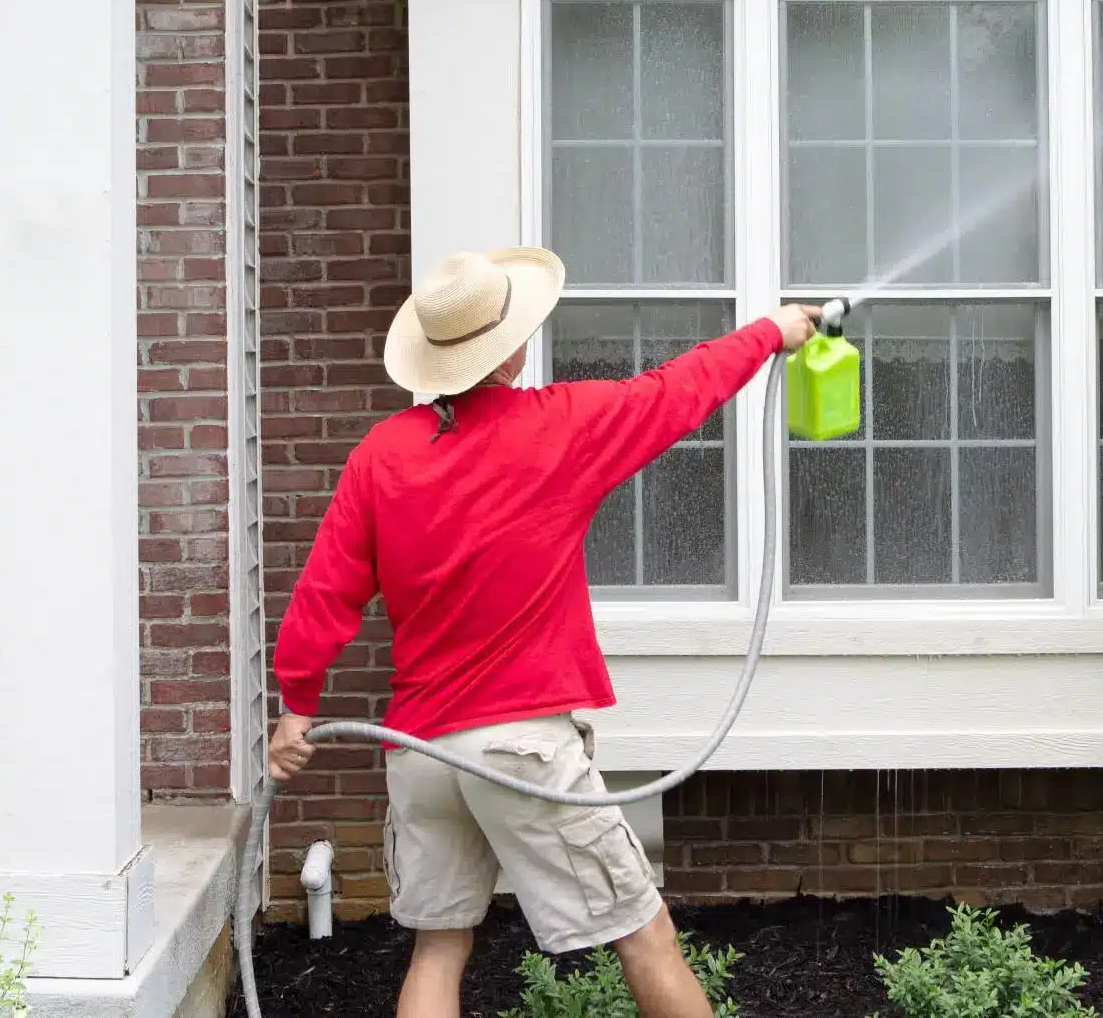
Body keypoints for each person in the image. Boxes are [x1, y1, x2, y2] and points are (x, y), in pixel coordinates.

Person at [270, 246, 821, 1018]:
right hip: (520, 747)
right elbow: (678, 390)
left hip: (421, 755)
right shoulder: (559, 426)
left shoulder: (380, 455)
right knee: (644, 932)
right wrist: (770, 331)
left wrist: (296, 704)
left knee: (439, 945)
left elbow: (324, 592)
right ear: (513, 346)